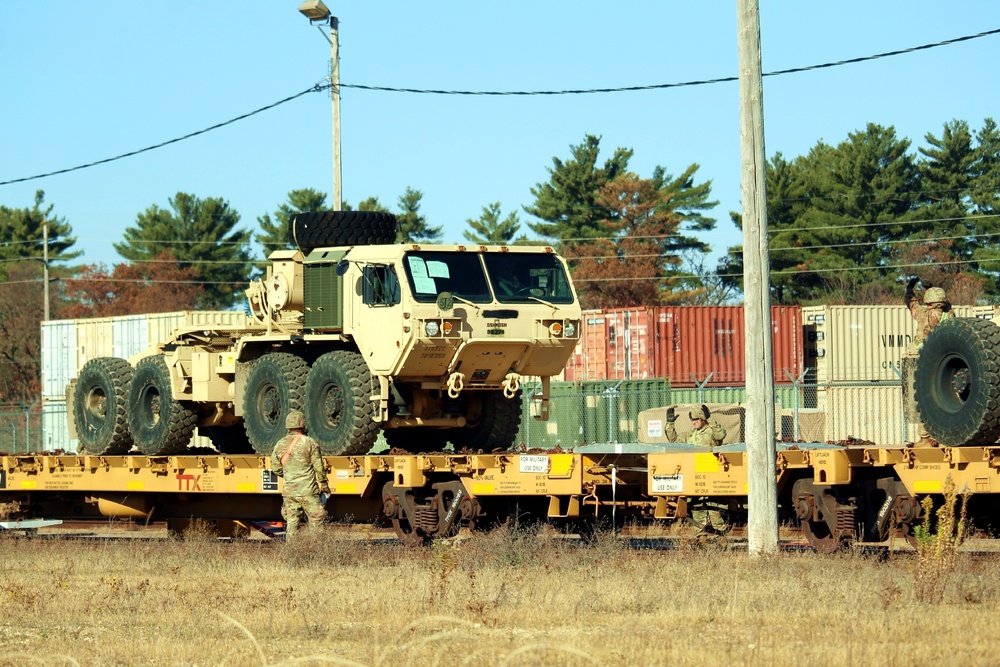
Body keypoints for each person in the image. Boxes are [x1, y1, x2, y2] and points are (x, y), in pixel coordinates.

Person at [665, 404, 728, 533]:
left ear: (703, 419)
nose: (694, 422)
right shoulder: (691, 435)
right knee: (697, 507)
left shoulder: (711, 431)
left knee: (713, 507)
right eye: (692, 420)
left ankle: (720, 538)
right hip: (695, 473)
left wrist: (710, 418)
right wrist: (670, 424)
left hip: (711, 473)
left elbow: (721, 435)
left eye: (696, 420)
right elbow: (674, 440)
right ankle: (701, 538)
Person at [904, 278, 951, 448]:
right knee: (942, 398)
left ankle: (925, 439)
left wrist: (910, 288)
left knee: (922, 399)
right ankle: (942, 436)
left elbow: (912, 304)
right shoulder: (949, 315)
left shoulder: (923, 313)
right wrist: (932, 289)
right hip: (944, 362)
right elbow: (948, 305)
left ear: (928, 302)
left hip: (922, 360)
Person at [270, 410, 330, 540]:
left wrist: (289, 474)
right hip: (308, 492)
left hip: (289, 492)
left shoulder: (279, 444)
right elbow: (319, 468)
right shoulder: (309, 443)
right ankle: (319, 555)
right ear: (303, 425)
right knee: (317, 525)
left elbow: (276, 469)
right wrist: (324, 486)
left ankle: (293, 554)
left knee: (292, 526)